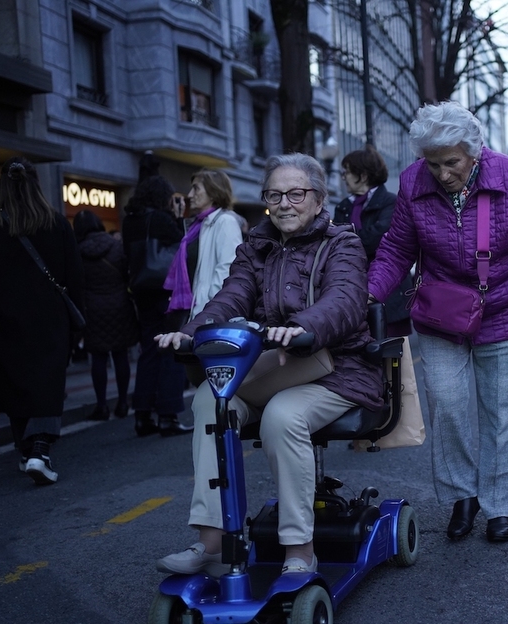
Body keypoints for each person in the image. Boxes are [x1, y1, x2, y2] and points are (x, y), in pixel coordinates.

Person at [155, 153, 382, 576]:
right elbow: (231, 298)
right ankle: (213, 541)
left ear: (318, 199)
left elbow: (346, 300)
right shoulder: (254, 247)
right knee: (210, 402)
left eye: (296, 193)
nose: (284, 203)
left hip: (338, 370)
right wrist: (192, 331)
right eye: (274, 195)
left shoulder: (342, 243)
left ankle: (299, 549)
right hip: (270, 369)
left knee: (282, 416)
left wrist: (302, 327)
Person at [366, 101, 508, 543]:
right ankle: (461, 495)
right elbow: (398, 247)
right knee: (449, 407)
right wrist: (369, 292)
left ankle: (498, 506)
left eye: (451, 162)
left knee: (501, 414)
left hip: (504, 309)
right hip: (440, 312)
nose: (441, 173)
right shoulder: (414, 180)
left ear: (474, 152)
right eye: (432, 163)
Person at [0, 157, 84, 484]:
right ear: (37, 184)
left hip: (6, 316)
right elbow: (74, 276)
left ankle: (26, 450)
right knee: (47, 384)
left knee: (14, 383)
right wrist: (76, 320)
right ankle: (40, 448)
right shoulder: (56, 222)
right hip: (49, 317)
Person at [122, 175, 190, 436]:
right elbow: (181, 246)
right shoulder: (161, 219)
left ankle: (142, 415)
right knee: (172, 347)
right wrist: (178, 217)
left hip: (140, 291)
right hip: (165, 290)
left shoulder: (130, 221)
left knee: (149, 350)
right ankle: (168, 415)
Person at [334, 145, 412, 337]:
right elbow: (335, 244)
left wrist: (347, 238)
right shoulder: (344, 206)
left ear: (363, 175)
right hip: (353, 289)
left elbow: (378, 239)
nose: (344, 177)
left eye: (348, 172)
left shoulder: (391, 201)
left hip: (390, 293)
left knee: (394, 356)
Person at [73, 210, 139, 420]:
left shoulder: (77, 251)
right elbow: (127, 272)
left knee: (98, 357)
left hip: (92, 308)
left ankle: (101, 406)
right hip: (119, 304)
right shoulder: (116, 246)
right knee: (120, 355)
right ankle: (122, 403)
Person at [165, 169, 243, 326]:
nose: (190, 195)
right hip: (196, 313)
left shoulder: (225, 221)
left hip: (209, 316)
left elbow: (227, 271)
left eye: (196, 188)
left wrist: (208, 311)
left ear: (214, 192)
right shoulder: (199, 225)